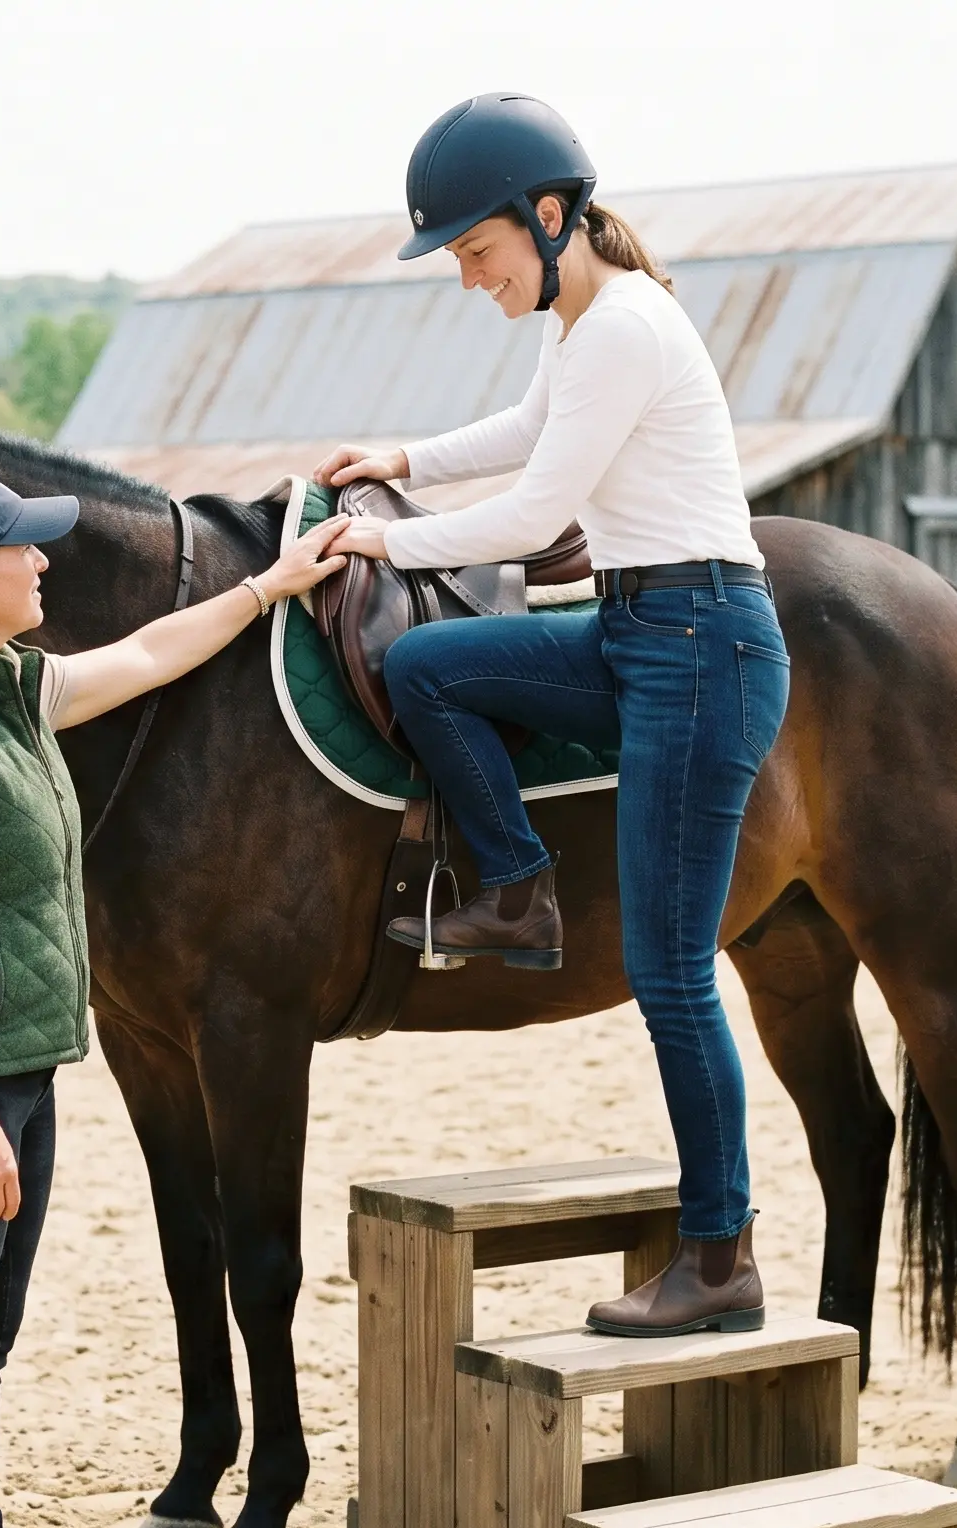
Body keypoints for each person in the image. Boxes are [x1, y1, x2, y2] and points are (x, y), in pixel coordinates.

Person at [316, 94, 788, 1338]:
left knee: (671, 973)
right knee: (432, 670)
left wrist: (370, 531)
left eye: (476, 253)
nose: (469, 279)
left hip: (704, 646)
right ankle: (515, 884)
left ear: (547, 214)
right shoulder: (578, 324)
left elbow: (532, 515)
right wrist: (401, 462)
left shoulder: (626, 325)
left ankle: (719, 1259)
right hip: (639, 630)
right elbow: (528, 431)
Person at [0, 467, 345, 1528]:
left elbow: (151, 653)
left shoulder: (12, 691)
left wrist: (269, 588)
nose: (44, 563)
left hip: (14, 1072)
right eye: (23, 550)